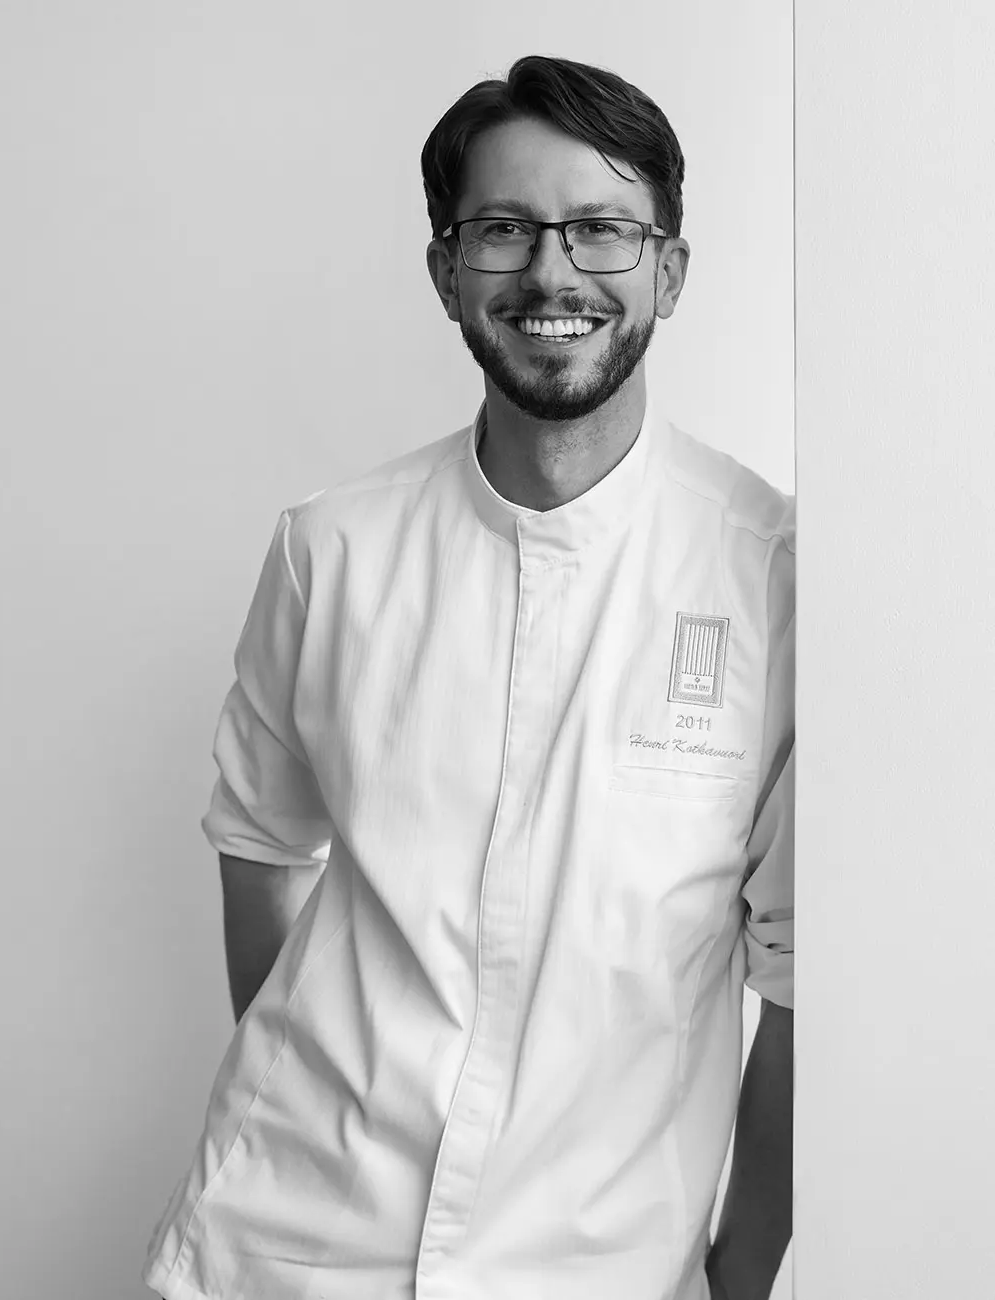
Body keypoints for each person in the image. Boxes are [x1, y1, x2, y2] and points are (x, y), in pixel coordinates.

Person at [143, 53, 794, 1300]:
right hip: (281, 1254)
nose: (552, 272)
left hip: (593, 1271)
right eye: (503, 229)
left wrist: (743, 1274)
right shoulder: (331, 549)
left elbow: (795, 980)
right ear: (447, 272)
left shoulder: (772, 579)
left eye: (602, 229)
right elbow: (261, 844)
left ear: (669, 270)